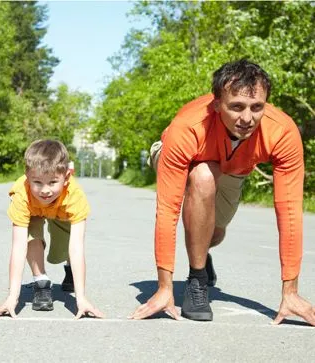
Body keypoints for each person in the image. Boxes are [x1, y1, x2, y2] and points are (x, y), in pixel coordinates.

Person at [130, 59, 315, 325]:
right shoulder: (189, 126)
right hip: (180, 154)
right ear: (218, 105)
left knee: (213, 234)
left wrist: (291, 291)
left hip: (234, 168)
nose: (247, 118)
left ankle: (202, 255)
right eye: (236, 107)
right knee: (202, 175)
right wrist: (164, 288)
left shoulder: (282, 132)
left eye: (257, 107)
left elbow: (290, 212)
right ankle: (197, 279)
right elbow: (167, 210)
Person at [0, 139, 104, 319]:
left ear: (66, 177)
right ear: (27, 176)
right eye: (37, 182)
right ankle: (41, 281)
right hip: (33, 212)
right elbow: (18, 247)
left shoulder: (75, 196)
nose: (45, 190)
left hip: (62, 213)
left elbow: (76, 248)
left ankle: (70, 272)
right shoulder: (23, 194)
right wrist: (12, 297)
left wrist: (81, 299)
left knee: (66, 242)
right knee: (31, 234)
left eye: (52, 182)